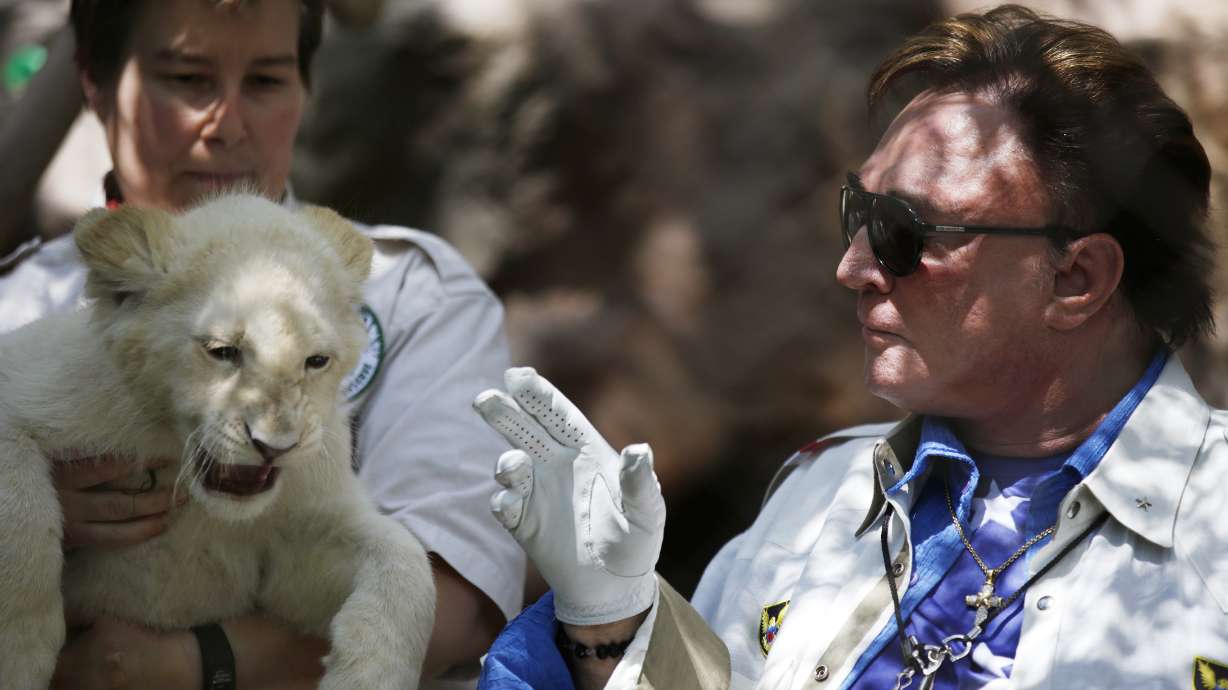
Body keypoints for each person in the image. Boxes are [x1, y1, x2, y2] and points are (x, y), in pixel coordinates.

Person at [473, 5, 1228, 689]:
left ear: (1077, 277)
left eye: (908, 231)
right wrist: (608, 615)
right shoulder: (820, 491)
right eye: (858, 211)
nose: (854, 267)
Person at [0, 1, 524, 687]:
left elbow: (459, 600)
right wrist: (34, 526)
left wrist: (184, 666)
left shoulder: (409, 294)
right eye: (190, 78)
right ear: (95, 87)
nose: (228, 125)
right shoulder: (19, 303)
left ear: (308, 91)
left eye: (266, 82)